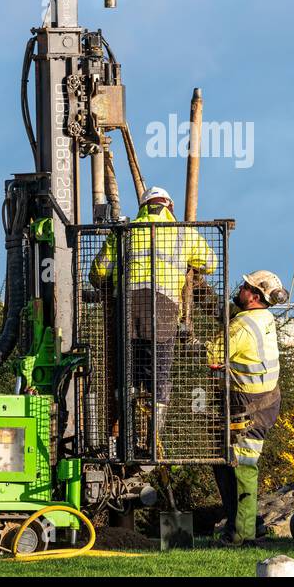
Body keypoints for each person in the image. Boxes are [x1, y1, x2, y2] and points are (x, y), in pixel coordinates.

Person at [89, 187, 216, 452]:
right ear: (168, 207)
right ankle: (152, 442)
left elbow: (99, 271)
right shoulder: (183, 232)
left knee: (126, 377)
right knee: (159, 377)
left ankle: (125, 441)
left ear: (143, 207)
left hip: (126, 310)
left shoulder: (124, 232)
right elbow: (210, 264)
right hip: (163, 311)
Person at [208, 269, 287, 544]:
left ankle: (242, 534)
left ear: (254, 296)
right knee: (223, 462)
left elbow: (213, 356)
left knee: (243, 465)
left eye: (245, 286)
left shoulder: (241, 327)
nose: (239, 288)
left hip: (249, 407)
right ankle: (246, 522)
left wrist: (189, 342)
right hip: (263, 402)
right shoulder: (263, 318)